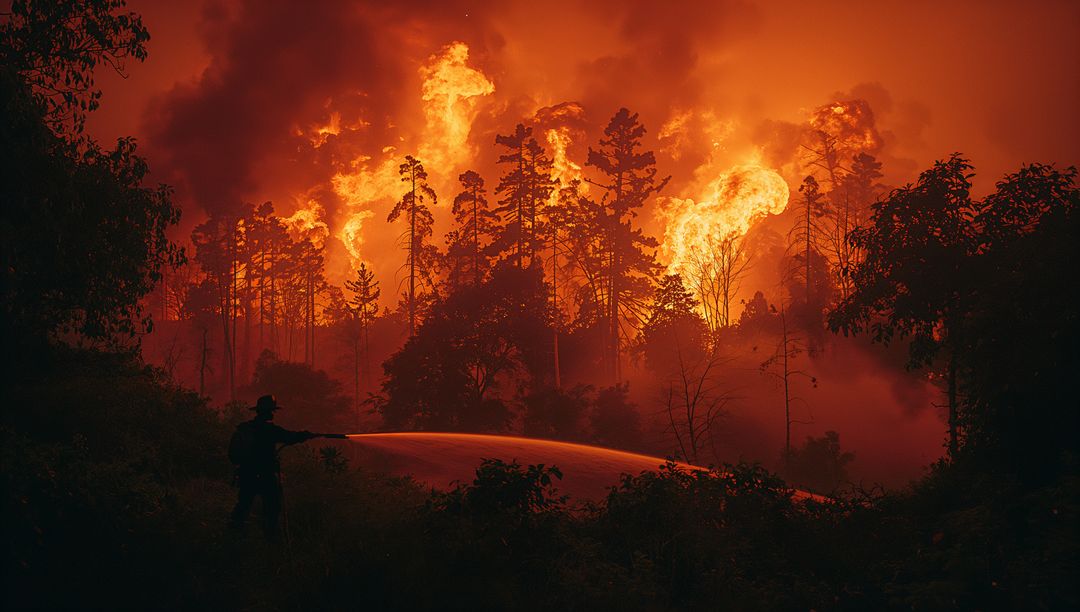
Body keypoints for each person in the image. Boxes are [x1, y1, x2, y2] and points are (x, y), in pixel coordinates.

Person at [227, 394, 343, 539]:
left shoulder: (247, 428)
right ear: (268, 412)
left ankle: (233, 535)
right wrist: (307, 435)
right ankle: (270, 540)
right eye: (272, 411)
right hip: (265, 475)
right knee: (272, 508)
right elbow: (290, 437)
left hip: (247, 474)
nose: (273, 414)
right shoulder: (270, 430)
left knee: (243, 505)